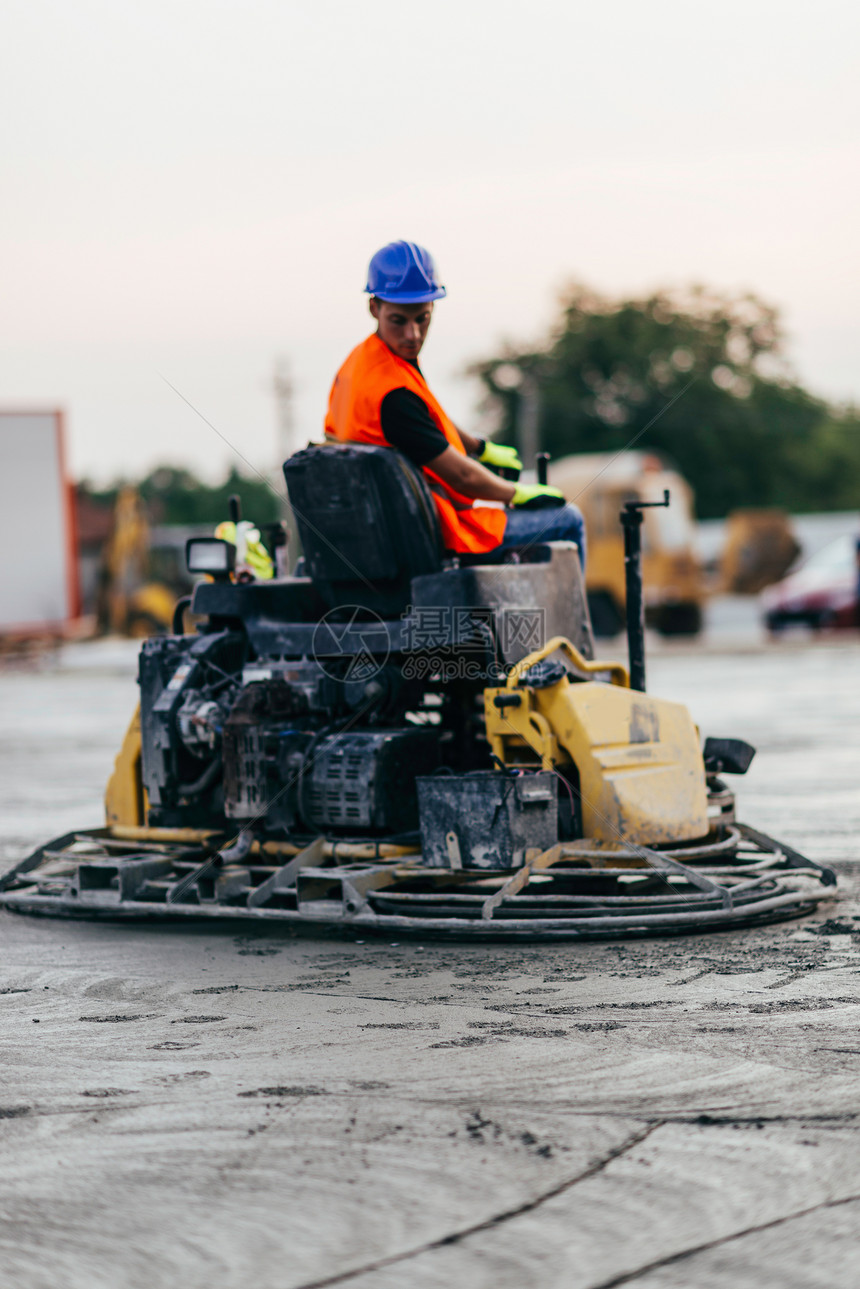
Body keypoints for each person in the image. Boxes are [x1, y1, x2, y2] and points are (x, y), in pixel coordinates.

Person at [324, 240, 586, 566]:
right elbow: (463, 478)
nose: (413, 334)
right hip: (436, 531)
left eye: (422, 318)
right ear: (374, 308)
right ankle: (575, 620)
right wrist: (515, 492)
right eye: (399, 320)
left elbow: (426, 416)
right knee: (567, 519)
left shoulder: (362, 365)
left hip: (382, 531)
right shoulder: (393, 396)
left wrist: (479, 447)